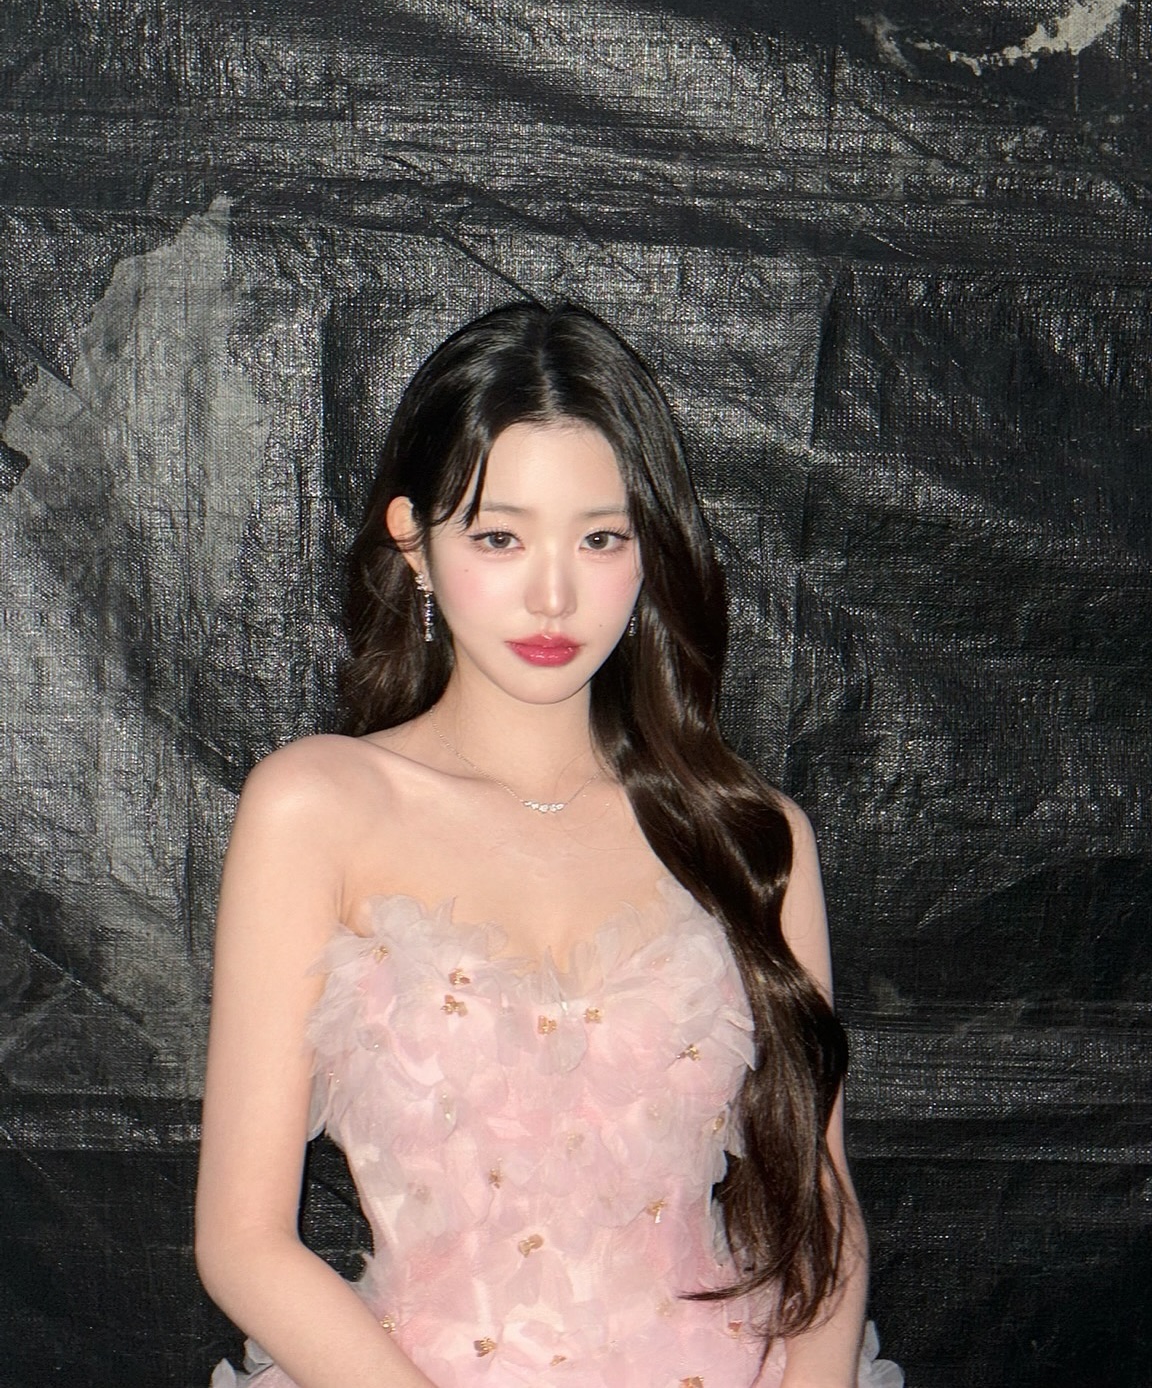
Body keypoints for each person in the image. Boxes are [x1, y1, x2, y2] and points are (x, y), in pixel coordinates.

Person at [196, 302, 903, 1388]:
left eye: (601, 537)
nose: (555, 594)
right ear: (414, 545)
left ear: (649, 549)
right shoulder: (316, 808)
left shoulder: (752, 837)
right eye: (500, 537)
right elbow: (244, 1241)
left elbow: (821, 1207)